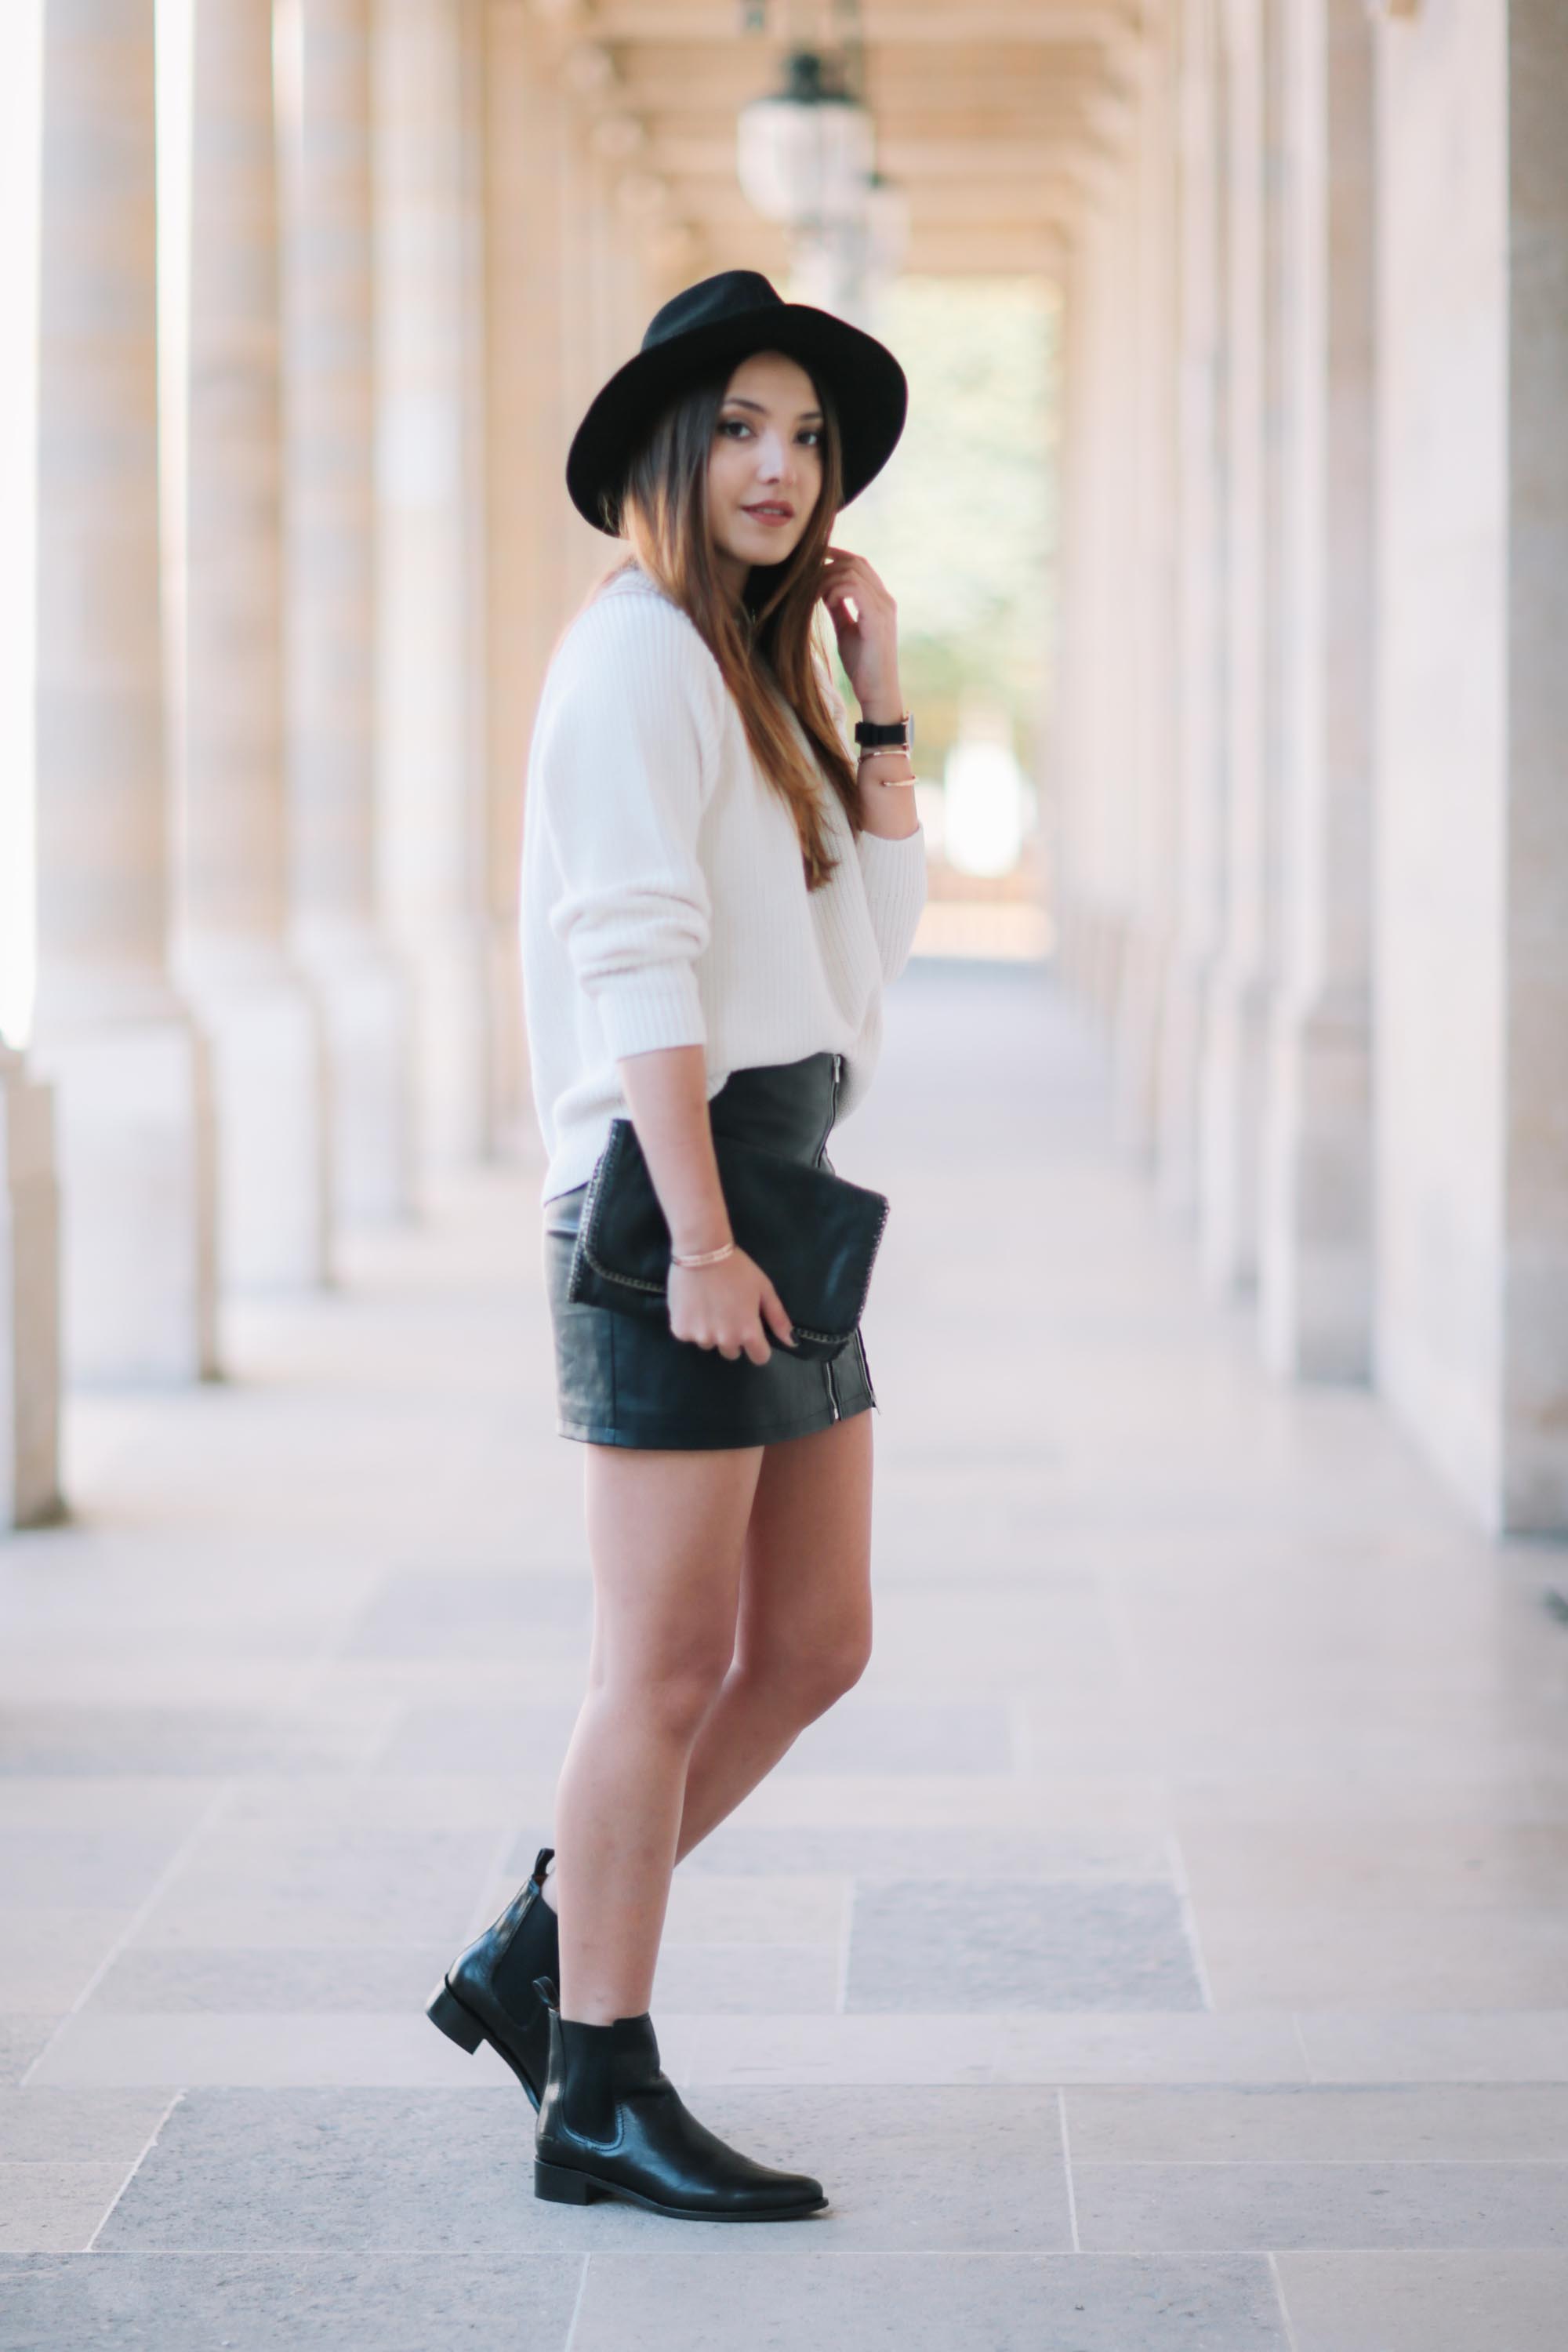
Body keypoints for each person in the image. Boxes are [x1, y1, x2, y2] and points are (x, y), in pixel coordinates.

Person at [426, 270, 926, 2222]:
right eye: (739, 424)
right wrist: (699, 1238)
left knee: (813, 1642)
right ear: (664, 446)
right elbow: (628, 955)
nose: (780, 465)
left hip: (780, 1165)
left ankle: (535, 1959)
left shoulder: (745, 669)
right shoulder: (633, 656)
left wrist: (878, 703)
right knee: (657, 1662)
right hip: (678, 1187)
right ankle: (596, 2089)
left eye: (804, 435)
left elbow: (866, 963)